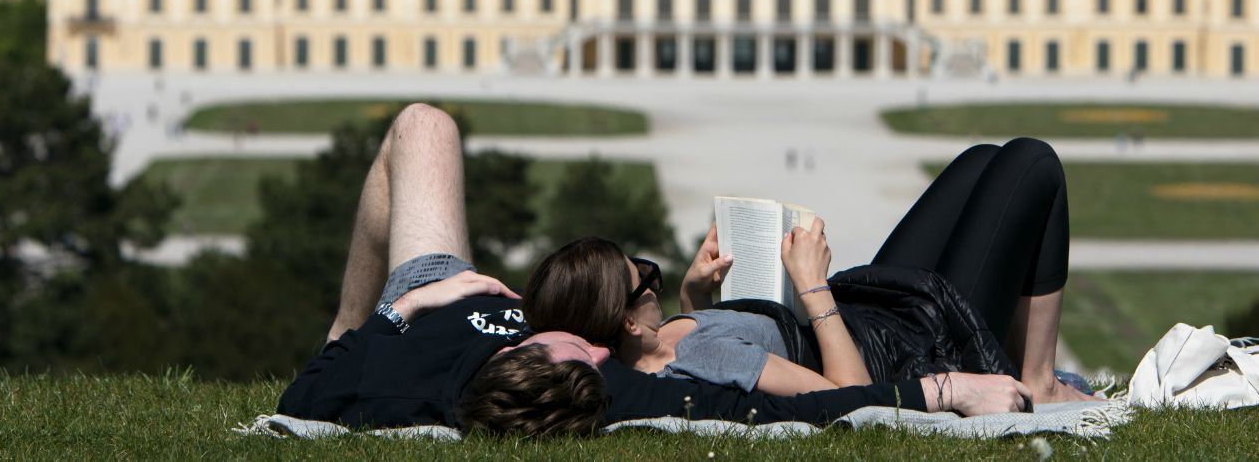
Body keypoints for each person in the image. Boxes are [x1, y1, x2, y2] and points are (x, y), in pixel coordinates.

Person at [277, 103, 1035, 437]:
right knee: (1013, 170)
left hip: (423, 302)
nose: (594, 344)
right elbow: (797, 412)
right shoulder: (613, 386)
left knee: (422, 125)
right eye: (594, 351)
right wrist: (941, 391)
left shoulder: (398, 377)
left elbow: (305, 395)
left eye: (582, 341)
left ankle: (344, 320)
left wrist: (392, 316)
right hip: (432, 306)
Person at [519, 137, 1096, 406]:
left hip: (872, 314)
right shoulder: (701, 361)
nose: (654, 276)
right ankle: (1038, 381)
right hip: (915, 346)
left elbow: (699, 349)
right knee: (1031, 164)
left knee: (978, 163)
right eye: (645, 278)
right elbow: (850, 396)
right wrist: (811, 282)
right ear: (626, 325)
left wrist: (697, 301)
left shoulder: (655, 350)